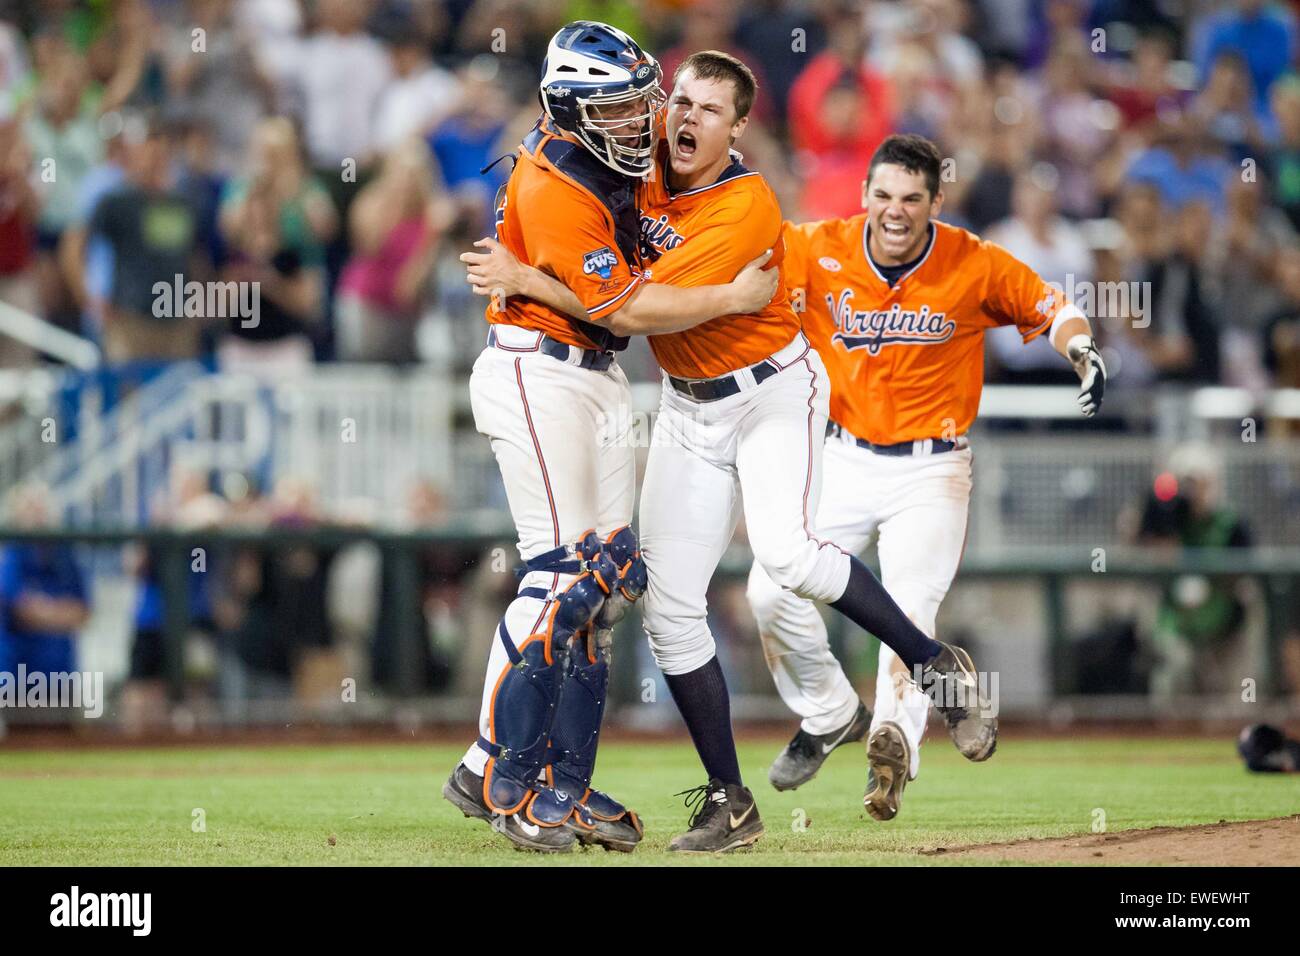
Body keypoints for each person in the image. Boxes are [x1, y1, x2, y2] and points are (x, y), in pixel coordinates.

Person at [464, 57, 997, 853]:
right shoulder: (638, 168)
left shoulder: (745, 203)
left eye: (712, 109)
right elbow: (571, 174)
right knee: (670, 606)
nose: (688, 118)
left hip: (771, 391)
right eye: (681, 100)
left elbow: (634, 309)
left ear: (737, 127)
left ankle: (930, 661)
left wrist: (527, 280)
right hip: (686, 408)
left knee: (789, 556)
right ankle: (730, 801)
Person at [444, 22, 777, 855]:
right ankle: (492, 767)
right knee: (560, 573)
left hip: (592, 373)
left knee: (609, 577)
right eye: (623, 109)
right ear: (574, 108)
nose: (644, 123)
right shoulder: (558, 179)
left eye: (643, 104)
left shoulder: (620, 156)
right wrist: (732, 301)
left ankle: (562, 780)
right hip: (539, 368)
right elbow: (625, 307)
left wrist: (526, 273)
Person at [744, 133, 1105, 822]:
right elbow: (744, 279)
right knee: (767, 591)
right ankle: (828, 713)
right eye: (883, 194)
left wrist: (1081, 346)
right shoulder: (816, 247)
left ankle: (894, 747)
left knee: (907, 614)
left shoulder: (972, 262)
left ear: (937, 200)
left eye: (912, 197)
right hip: (839, 457)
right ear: (864, 195)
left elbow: (1051, 308)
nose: (896, 209)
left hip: (931, 466)